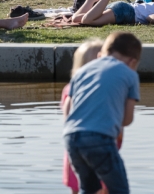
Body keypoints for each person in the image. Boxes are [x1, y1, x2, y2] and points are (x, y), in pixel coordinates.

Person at [63, 32, 142, 194]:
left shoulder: (82, 71)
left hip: (71, 138)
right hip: (100, 138)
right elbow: (127, 119)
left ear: (102, 53)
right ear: (132, 62)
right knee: (119, 189)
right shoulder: (130, 74)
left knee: (88, 188)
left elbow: (67, 109)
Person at [61, 39, 106, 194]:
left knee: (78, 186)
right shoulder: (98, 90)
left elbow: (67, 118)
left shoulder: (69, 88)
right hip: (96, 147)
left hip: (74, 146)